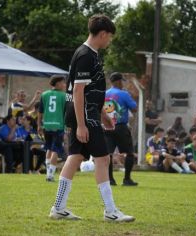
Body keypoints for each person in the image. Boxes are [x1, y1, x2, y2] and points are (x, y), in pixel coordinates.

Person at [49, 14, 134, 222]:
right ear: (103, 34)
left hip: (88, 114)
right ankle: (110, 211)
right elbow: (78, 91)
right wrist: (81, 124)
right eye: (110, 37)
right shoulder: (86, 55)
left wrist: (103, 114)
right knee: (103, 159)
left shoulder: (90, 53)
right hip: (84, 116)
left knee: (76, 156)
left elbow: (91, 89)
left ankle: (58, 207)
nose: (110, 41)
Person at [104, 72, 138, 186]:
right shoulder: (124, 94)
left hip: (107, 126)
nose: (123, 83)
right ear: (118, 81)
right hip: (120, 127)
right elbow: (134, 109)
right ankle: (127, 179)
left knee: (108, 153)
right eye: (122, 81)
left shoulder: (104, 94)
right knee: (129, 153)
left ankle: (110, 179)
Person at [37, 75, 66, 182]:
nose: (64, 85)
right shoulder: (65, 96)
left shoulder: (44, 94)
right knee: (56, 150)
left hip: (47, 125)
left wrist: (39, 125)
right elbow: (67, 112)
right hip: (58, 126)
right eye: (63, 82)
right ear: (57, 83)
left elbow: (40, 112)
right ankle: (50, 175)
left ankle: (48, 172)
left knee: (49, 148)